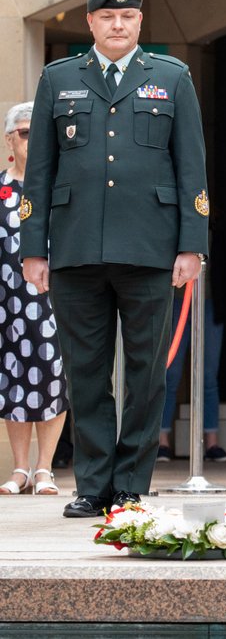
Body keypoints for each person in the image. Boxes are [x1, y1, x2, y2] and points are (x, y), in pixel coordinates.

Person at [21, 0, 209, 517]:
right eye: (107, 17)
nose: (117, 25)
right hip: (76, 248)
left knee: (148, 375)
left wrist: (192, 243)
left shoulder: (171, 78)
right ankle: (93, 484)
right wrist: (35, 248)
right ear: (91, 23)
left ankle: (131, 484)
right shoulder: (59, 79)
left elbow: (191, 166)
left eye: (127, 17)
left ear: (140, 23)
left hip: (150, 247)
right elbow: (39, 171)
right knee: (86, 372)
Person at [0, 103, 68, 496]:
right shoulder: (3, 187)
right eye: (25, 133)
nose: (32, 140)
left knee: (53, 376)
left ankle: (45, 469)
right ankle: (19, 468)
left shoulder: (60, 187)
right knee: (13, 377)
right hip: (8, 298)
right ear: (11, 139)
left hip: (53, 298)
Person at [158, 245, 226, 464]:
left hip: (211, 303)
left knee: (208, 376)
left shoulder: (219, 230)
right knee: (170, 373)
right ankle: (162, 441)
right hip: (175, 300)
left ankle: (212, 442)